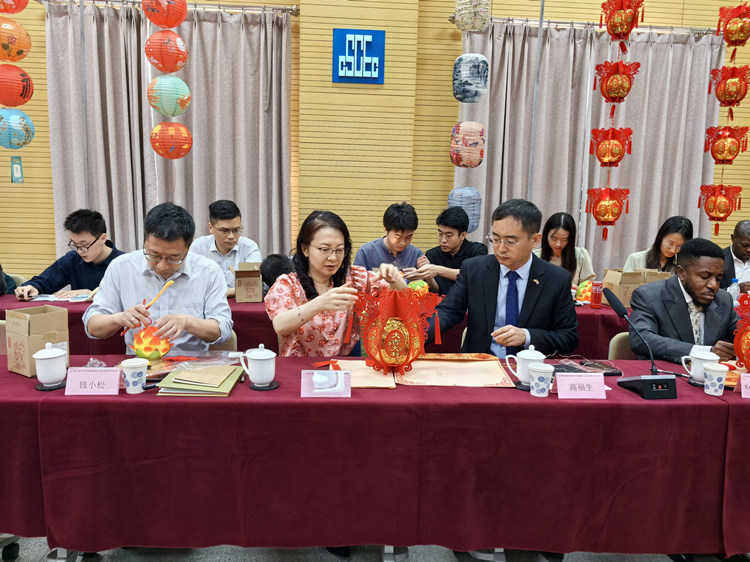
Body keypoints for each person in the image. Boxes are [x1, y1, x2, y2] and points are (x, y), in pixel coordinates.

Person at [432, 199, 578, 357]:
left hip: (527, 367)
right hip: (481, 363)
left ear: (535, 240)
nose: (501, 248)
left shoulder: (556, 279)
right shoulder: (474, 270)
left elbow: (568, 337)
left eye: (510, 241)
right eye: (495, 239)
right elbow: (448, 312)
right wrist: (417, 335)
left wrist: (527, 336)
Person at [84, 203, 232, 356]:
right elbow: (92, 327)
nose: (162, 266)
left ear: (188, 248)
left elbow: (224, 330)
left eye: (174, 258)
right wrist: (119, 318)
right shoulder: (121, 267)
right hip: (140, 366)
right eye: (154, 255)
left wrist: (188, 322)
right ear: (144, 242)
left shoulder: (208, 271)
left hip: (190, 366)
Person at [265, 210, 407, 357]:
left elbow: (405, 299)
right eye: (325, 249)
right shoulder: (288, 284)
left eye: (339, 250)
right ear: (305, 249)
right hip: (300, 366)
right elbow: (280, 325)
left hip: (343, 365)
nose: (333, 258)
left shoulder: (354, 279)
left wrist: (395, 280)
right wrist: (319, 303)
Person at [629, 238, 737, 363]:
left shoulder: (723, 299)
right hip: (666, 371)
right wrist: (704, 352)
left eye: (718, 279)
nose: (713, 285)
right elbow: (641, 339)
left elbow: (742, 334)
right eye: (704, 277)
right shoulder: (649, 296)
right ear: (681, 272)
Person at [15, 209, 123, 300]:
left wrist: (90, 294)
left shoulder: (123, 263)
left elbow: (127, 298)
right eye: (75, 244)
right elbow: (45, 281)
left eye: (84, 245)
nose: (80, 251)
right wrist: (33, 288)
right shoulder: (73, 259)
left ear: (103, 238)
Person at [403, 206, 488, 296]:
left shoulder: (477, 250)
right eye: (440, 234)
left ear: (463, 235)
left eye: (449, 235)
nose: (443, 240)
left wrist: (438, 270)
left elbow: (473, 275)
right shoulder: (432, 254)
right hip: (442, 303)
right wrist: (427, 275)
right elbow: (435, 291)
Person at [189, 199, 262, 298]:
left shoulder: (249, 247)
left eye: (236, 230)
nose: (231, 236)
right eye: (224, 230)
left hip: (240, 303)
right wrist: (235, 290)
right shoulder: (198, 247)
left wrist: (216, 293)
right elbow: (191, 284)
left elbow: (254, 286)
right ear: (211, 228)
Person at [353, 202, 424, 271]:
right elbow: (357, 278)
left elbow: (425, 278)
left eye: (408, 237)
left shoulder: (416, 254)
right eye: (398, 237)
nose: (403, 243)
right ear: (386, 230)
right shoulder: (366, 252)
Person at [532, 212, 595, 289]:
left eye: (564, 239)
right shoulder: (535, 256)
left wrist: (577, 288)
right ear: (546, 235)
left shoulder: (580, 255)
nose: (558, 244)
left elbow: (589, 287)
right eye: (554, 238)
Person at [623, 216, 693, 274]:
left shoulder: (683, 266)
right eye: (670, 243)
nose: (673, 250)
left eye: (679, 246)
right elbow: (626, 286)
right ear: (661, 237)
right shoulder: (636, 259)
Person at [720, 220, 750, 291]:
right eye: (745, 245)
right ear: (733, 238)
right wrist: (735, 290)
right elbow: (708, 291)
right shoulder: (719, 259)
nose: (749, 249)